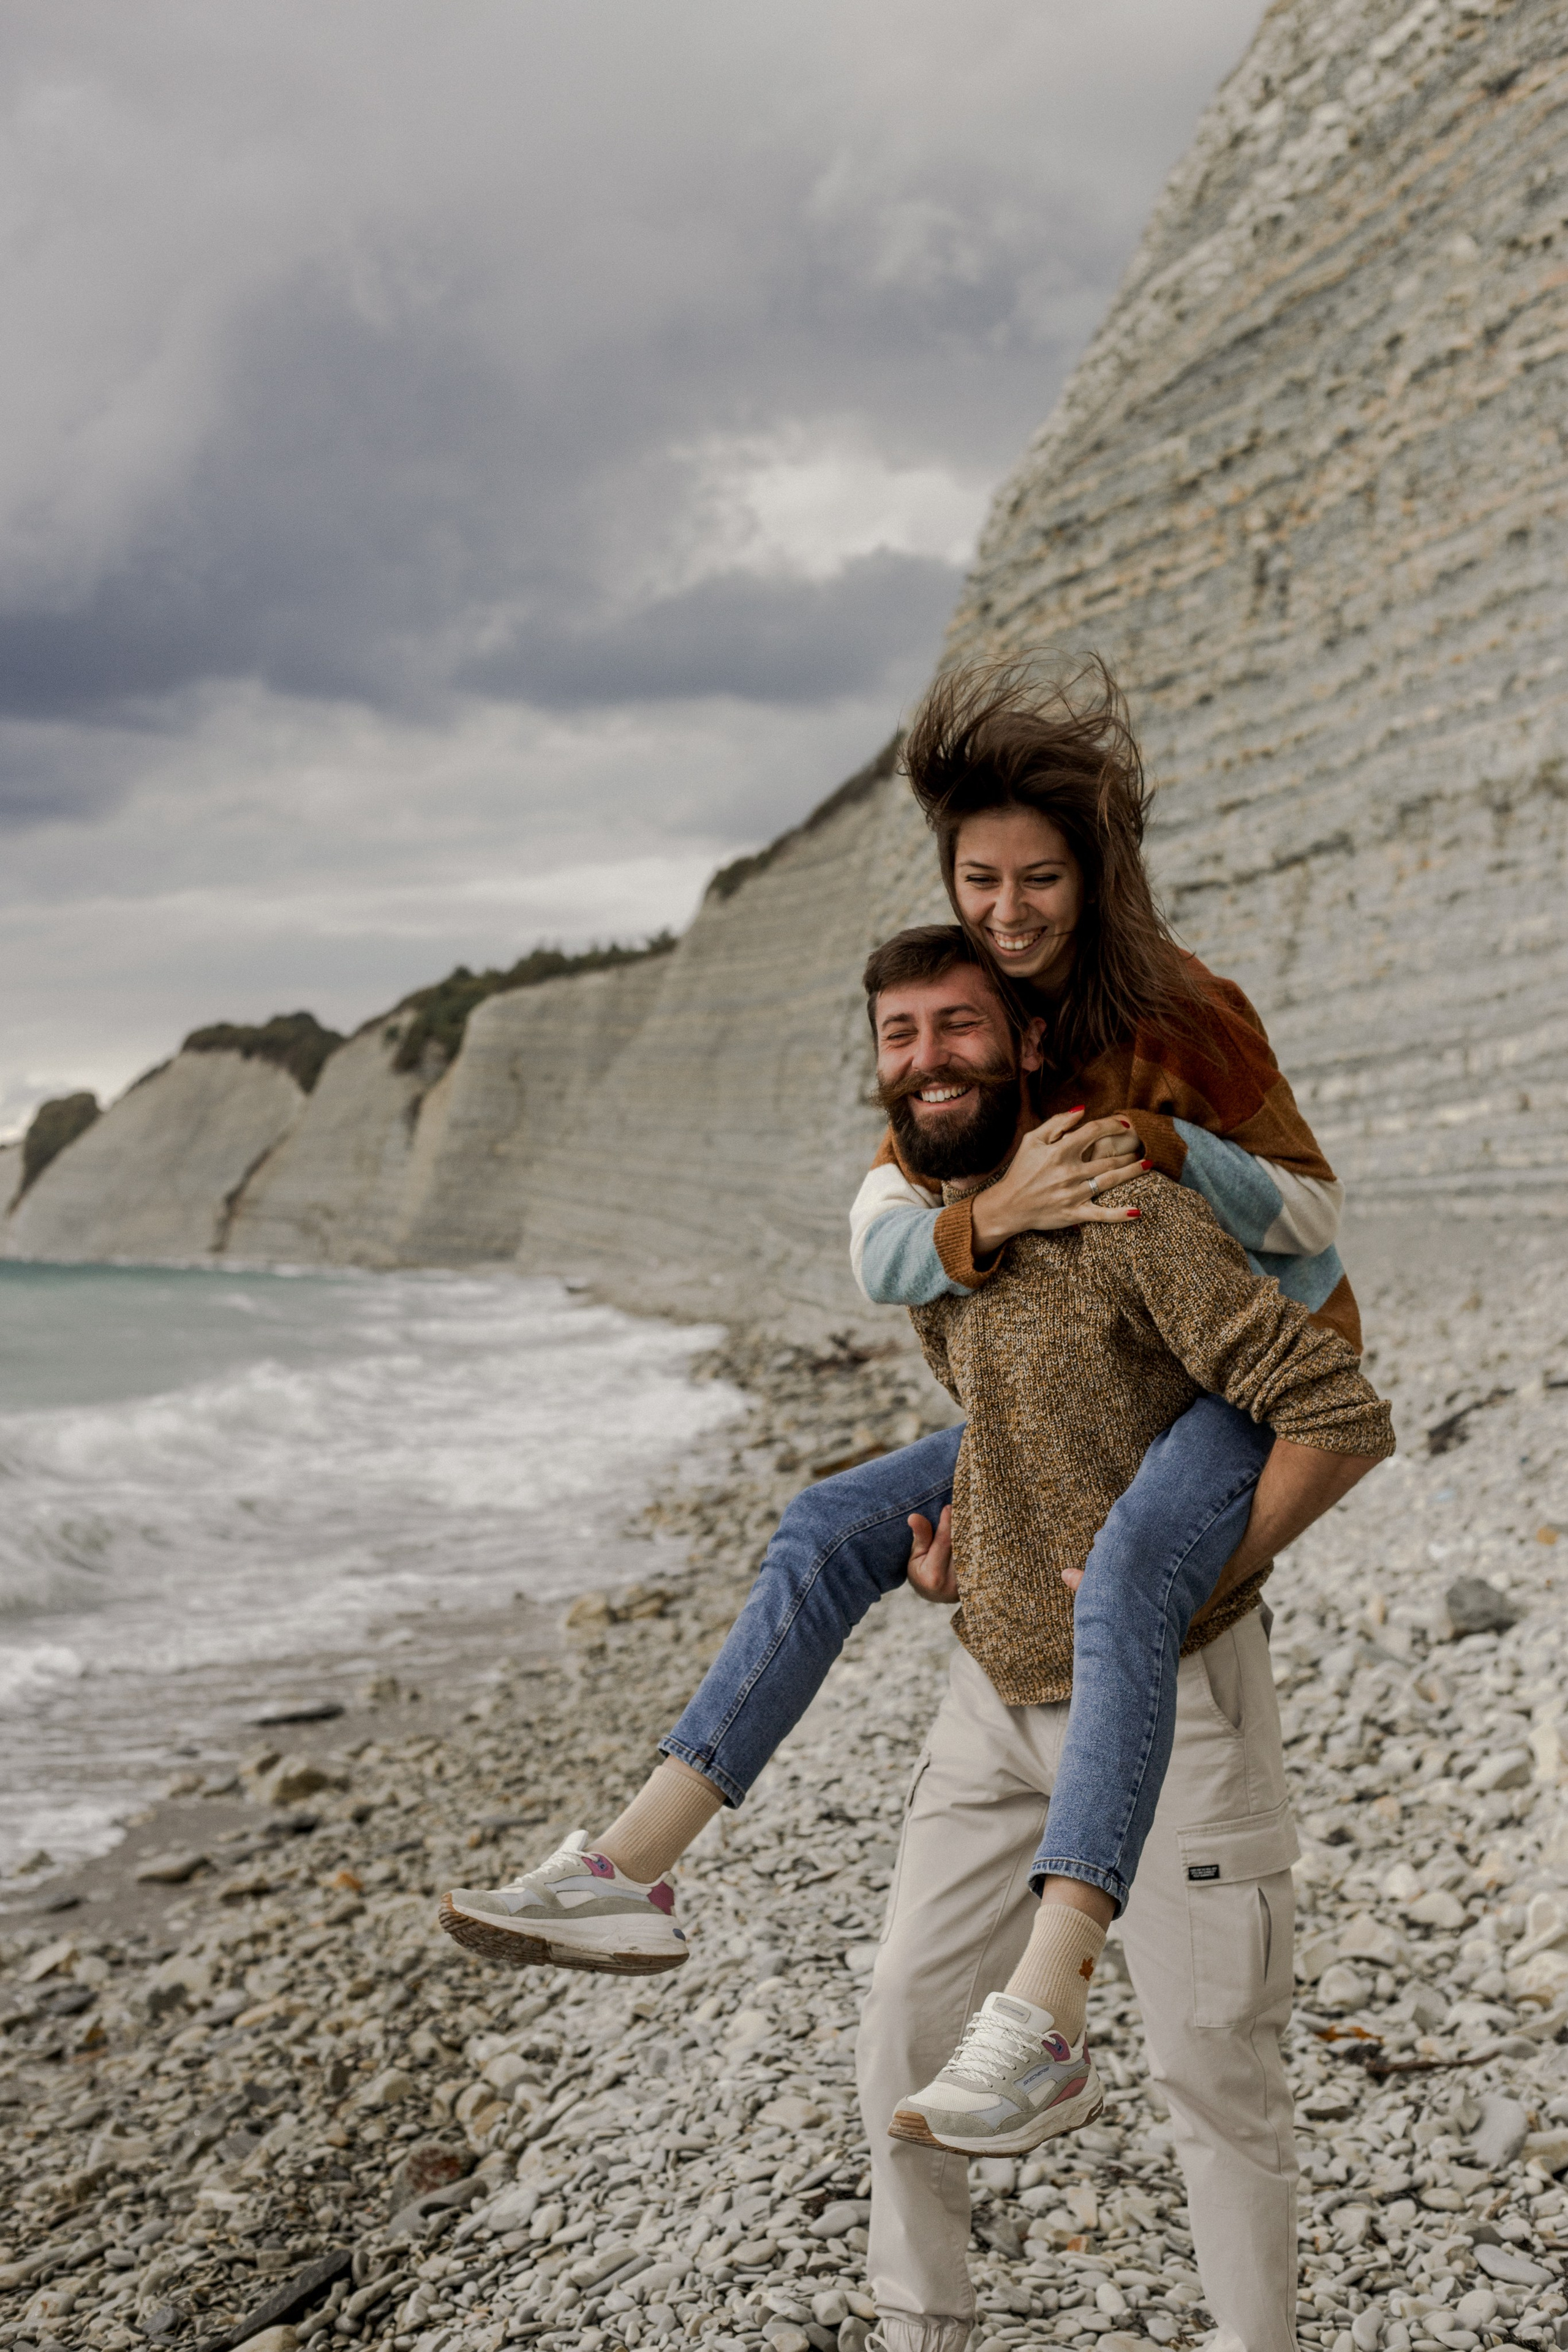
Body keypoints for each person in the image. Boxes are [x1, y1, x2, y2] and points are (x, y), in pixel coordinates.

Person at [436, 658, 1363, 2037]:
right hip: (1078, 1401)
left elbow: (1316, 1217)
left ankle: (1047, 2002)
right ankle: (627, 1867)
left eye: (1035, 880)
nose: (1004, 912)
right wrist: (997, 1207)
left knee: (1126, 1590)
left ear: (1087, 874)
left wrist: (1164, 1151)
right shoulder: (977, 1032)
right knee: (824, 1527)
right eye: (977, 881)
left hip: (1234, 1382)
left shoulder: (1185, 1011)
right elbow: (878, 1241)